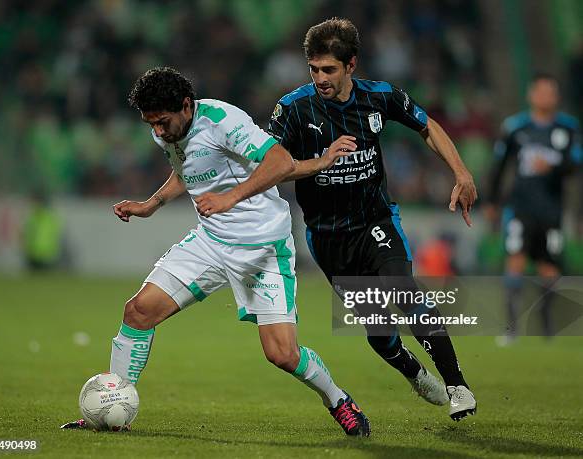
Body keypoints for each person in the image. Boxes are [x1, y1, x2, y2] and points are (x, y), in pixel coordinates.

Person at [61, 67, 370, 436]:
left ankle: (338, 401)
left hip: (263, 247)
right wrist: (152, 203)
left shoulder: (224, 120)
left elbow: (279, 162)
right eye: (151, 124)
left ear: (187, 106)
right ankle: (113, 409)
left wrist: (230, 198)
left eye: (162, 122)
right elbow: (187, 168)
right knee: (138, 311)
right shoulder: (168, 132)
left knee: (282, 355)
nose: (158, 131)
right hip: (211, 242)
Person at [268, 18, 477, 421]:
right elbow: (270, 166)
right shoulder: (293, 108)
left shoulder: (378, 97)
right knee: (381, 334)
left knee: (405, 291)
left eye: (328, 69)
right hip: (328, 238)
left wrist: (462, 173)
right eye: (313, 69)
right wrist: (321, 162)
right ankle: (411, 369)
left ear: (351, 65)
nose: (320, 78)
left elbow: (427, 126)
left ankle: (457, 385)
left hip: (375, 221)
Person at [486, 73, 581, 344]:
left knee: (550, 270)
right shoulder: (515, 127)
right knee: (515, 260)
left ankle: (546, 328)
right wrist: (492, 201)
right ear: (531, 95)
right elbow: (499, 165)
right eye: (540, 92)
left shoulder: (568, 128)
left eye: (550, 92)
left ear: (557, 97)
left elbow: (576, 164)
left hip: (551, 210)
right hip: (520, 207)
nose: (545, 97)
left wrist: (553, 167)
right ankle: (511, 328)